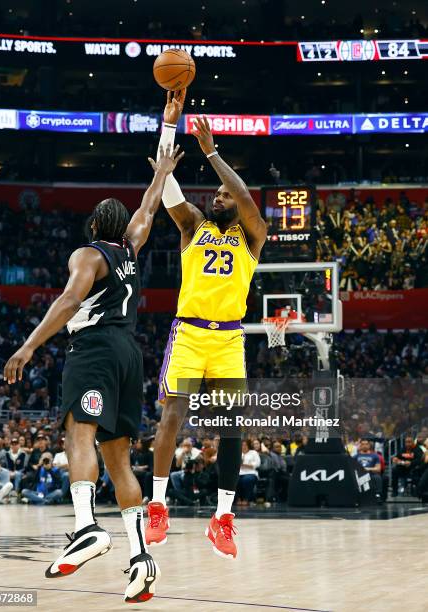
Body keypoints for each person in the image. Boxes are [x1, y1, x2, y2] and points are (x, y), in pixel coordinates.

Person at [3, 144, 184, 603]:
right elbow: (147, 206)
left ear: (93, 226)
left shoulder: (89, 254)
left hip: (95, 349)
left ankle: (86, 527)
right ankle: (142, 558)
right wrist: (163, 169)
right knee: (119, 458)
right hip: (129, 353)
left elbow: (67, 302)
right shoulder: (132, 246)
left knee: (77, 435)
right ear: (123, 229)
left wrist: (28, 346)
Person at [146, 91, 267, 559]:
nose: (216, 197)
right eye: (214, 194)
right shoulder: (192, 226)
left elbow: (244, 198)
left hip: (229, 339)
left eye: (221, 195)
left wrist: (213, 152)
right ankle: (158, 508)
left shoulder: (252, 234)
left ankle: (222, 520)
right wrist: (168, 124)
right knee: (172, 417)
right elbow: (166, 181)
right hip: (191, 333)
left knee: (233, 427)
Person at [237, 439, 261, 505]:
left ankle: (246, 499)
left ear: (249, 445)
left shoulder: (254, 453)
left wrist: (244, 465)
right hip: (238, 473)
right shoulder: (237, 453)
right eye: (242, 445)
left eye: (245, 445)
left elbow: (257, 464)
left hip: (251, 473)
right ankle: (238, 498)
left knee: (247, 480)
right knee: (235, 480)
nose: (243, 447)